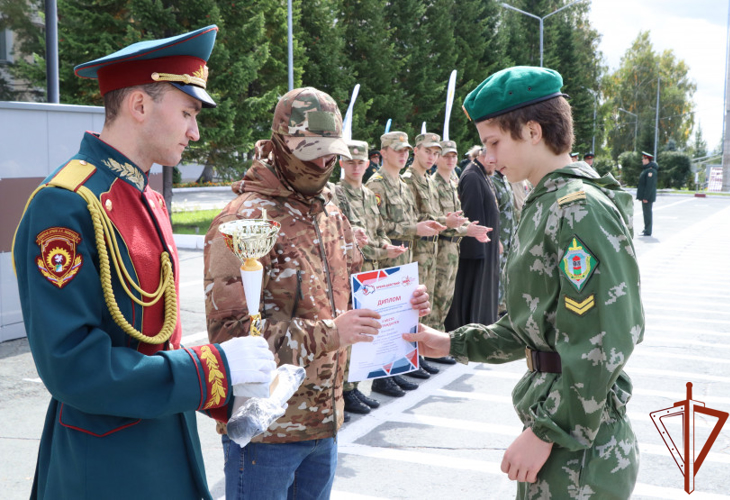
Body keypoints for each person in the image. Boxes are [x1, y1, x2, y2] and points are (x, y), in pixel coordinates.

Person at [12, 26, 277, 499]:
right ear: (139, 106)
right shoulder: (67, 205)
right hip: (107, 466)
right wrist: (210, 370)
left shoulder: (146, 197)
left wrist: (230, 389)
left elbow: (154, 342)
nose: (195, 131)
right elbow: (74, 368)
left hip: (163, 444)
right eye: (188, 113)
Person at [405, 66, 643, 498]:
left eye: (495, 142)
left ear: (532, 131)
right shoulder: (546, 202)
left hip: (578, 443)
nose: (489, 157)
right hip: (562, 422)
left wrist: (549, 431)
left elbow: (602, 339)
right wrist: (449, 343)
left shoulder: (577, 209)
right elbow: (531, 326)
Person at [204, 87, 431, 499]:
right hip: (266, 434)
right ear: (282, 143)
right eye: (314, 152)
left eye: (333, 153)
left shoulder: (327, 209)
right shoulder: (242, 220)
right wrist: (331, 333)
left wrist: (402, 303)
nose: (327, 162)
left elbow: (353, 289)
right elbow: (230, 340)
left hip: (324, 424)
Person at [365, 131, 443, 395]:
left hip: (406, 257)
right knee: (386, 319)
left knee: (403, 315)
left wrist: (421, 227)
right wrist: (414, 228)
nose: (402, 154)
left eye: (406, 151)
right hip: (389, 259)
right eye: (396, 150)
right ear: (383, 152)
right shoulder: (376, 185)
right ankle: (382, 376)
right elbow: (378, 225)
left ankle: (398, 368)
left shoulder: (400, 183)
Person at [335, 140, 406, 414]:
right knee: (350, 332)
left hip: (372, 273)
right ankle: (344, 392)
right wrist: (378, 248)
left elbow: (378, 230)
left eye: (360, 162)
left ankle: (354, 388)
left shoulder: (367, 194)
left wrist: (386, 245)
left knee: (369, 331)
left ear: (367, 163)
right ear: (342, 163)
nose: (355, 166)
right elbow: (345, 235)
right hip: (350, 273)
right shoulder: (337, 194)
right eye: (350, 162)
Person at [402, 132, 461, 377]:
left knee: (433, 303)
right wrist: (444, 221)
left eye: (435, 153)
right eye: (428, 151)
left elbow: (433, 216)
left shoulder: (427, 180)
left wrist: (453, 224)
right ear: (416, 150)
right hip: (416, 251)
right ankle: (412, 356)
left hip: (433, 250)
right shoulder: (408, 179)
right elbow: (411, 218)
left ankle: (423, 353)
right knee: (414, 306)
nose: (432, 157)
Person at [428, 139, 492, 363]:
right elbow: (435, 220)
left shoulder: (452, 182)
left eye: (453, 156)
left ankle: (435, 345)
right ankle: (429, 349)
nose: (450, 159)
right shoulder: (434, 184)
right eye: (445, 156)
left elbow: (456, 220)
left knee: (445, 299)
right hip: (440, 247)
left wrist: (468, 230)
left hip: (452, 247)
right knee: (435, 300)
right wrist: (464, 229)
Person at [445, 147, 500, 329]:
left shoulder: (481, 174)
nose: (495, 164)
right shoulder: (472, 176)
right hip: (477, 248)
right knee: (473, 293)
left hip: (486, 244)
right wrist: (477, 250)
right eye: (492, 160)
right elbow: (471, 213)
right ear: (482, 156)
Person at [489, 166, 516, 316]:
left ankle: (503, 306)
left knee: (505, 274)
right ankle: (497, 310)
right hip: (500, 239)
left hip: (509, 238)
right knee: (497, 275)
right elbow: (493, 213)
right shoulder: (493, 181)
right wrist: (496, 238)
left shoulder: (504, 180)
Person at [636, 151, 658, 236]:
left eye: (643, 159)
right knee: (646, 213)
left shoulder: (650, 171)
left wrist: (645, 197)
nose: (642, 160)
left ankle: (647, 230)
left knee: (647, 213)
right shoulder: (646, 169)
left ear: (647, 159)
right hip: (646, 197)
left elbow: (649, 186)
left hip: (647, 198)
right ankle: (646, 229)